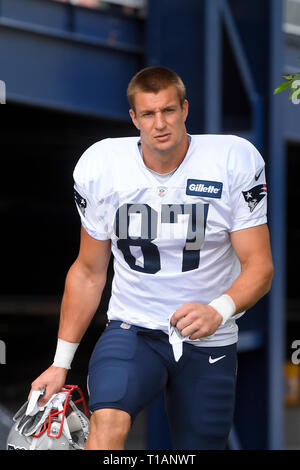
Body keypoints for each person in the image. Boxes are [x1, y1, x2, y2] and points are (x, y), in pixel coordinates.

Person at [29, 66, 274, 450]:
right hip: (133, 329)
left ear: (185, 109)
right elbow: (89, 272)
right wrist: (61, 362)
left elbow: (260, 267)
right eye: (148, 114)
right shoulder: (103, 167)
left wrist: (218, 310)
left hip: (208, 338)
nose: (160, 123)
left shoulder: (231, 160)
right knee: (106, 424)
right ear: (134, 118)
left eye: (168, 111)